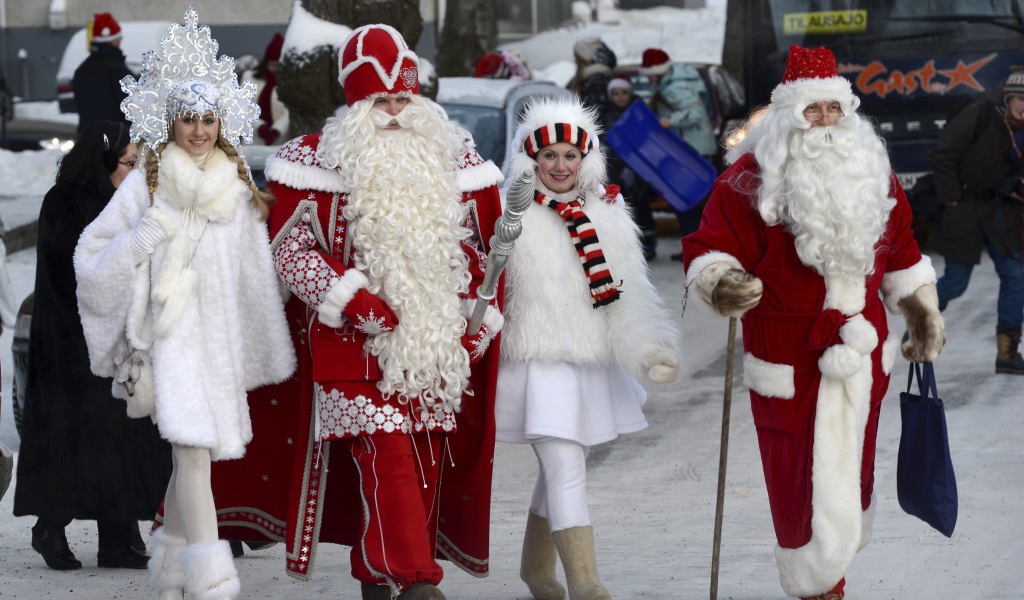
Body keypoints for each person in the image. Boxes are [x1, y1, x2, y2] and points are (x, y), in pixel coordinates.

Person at [682, 46, 945, 600]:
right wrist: (722, 281)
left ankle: (834, 576)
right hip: (788, 350)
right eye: (812, 110)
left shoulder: (873, 169)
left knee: (854, 464)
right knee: (796, 473)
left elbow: (900, 248)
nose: (824, 121)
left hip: (862, 349)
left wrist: (920, 308)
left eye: (833, 109)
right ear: (787, 114)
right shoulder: (748, 180)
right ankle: (817, 586)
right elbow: (709, 246)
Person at [259, 24, 505, 600]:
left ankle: (376, 571)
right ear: (354, 102)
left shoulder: (454, 158)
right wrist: (348, 298)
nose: (394, 113)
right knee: (388, 455)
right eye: (380, 102)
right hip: (348, 346)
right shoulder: (310, 164)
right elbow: (289, 249)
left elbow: (476, 250)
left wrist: (475, 321)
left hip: (432, 346)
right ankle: (416, 580)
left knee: (421, 466)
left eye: (403, 100)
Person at [73, 8, 296, 600]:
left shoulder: (241, 192)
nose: (198, 130)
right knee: (194, 451)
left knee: (192, 455)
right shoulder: (147, 185)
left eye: (207, 118)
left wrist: (261, 344)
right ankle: (212, 579)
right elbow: (89, 259)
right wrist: (143, 237)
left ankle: (172, 566)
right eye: (187, 118)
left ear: (221, 122)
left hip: (216, 346)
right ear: (170, 122)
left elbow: (257, 282)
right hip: (170, 343)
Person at [496, 96, 681, 600]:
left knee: (562, 463)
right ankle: (587, 584)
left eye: (570, 156)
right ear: (530, 159)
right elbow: (482, 283)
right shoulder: (507, 208)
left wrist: (647, 350)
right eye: (548, 155)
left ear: (587, 159)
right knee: (565, 466)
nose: (559, 166)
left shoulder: (607, 211)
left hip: (588, 361)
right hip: (533, 363)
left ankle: (536, 568)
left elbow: (627, 289)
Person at [12, 120, 172, 572]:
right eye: (126, 163)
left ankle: (119, 538)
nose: (132, 171)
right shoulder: (64, 200)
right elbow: (72, 269)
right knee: (72, 439)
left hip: (113, 339)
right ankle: (50, 527)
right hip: (69, 342)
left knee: (118, 437)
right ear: (100, 162)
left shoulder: (121, 199)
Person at [927, 69, 1024, 374]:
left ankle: (1007, 354)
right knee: (955, 283)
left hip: (1001, 212)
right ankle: (921, 328)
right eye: (1020, 99)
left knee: (1016, 275)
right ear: (1007, 98)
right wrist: (952, 198)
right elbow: (942, 154)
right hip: (965, 209)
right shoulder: (979, 114)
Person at [634, 48, 717, 259]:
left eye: (650, 73)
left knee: (685, 201)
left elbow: (696, 113)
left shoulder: (674, 88)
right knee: (694, 201)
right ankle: (698, 245)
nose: (649, 78)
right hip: (697, 146)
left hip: (689, 148)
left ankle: (695, 247)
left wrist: (671, 121)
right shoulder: (677, 82)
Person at [603, 76, 657, 259]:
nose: (620, 97)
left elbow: (646, 136)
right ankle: (627, 245)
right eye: (616, 94)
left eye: (624, 93)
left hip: (638, 166)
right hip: (616, 166)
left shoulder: (639, 112)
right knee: (622, 206)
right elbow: (606, 137)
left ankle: (648, 244)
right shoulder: (607, 113)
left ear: (630, 93)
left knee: (641, 205)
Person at [73, 12, 132, 135]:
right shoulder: (117, 70)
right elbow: (131, 107)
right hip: (116, 139)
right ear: (112, 40)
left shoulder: (82, 70)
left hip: (88, 138)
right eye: (118, 37)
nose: (120, 40)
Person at [249, 32, 288, 145]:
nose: (275, 69)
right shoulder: (250, 78)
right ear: (266, 63)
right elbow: (245, 107)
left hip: (279, 141)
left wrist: (276, 130)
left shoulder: (287, 84)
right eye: (273, 64)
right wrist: (260, 126)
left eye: (279, 65)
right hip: (254, 140)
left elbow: (288, 113)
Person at [572, 38, 616, 122]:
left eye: (577, 58)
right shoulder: (597, 79)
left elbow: (598, 119)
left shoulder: (595, 82)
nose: (575, 61)